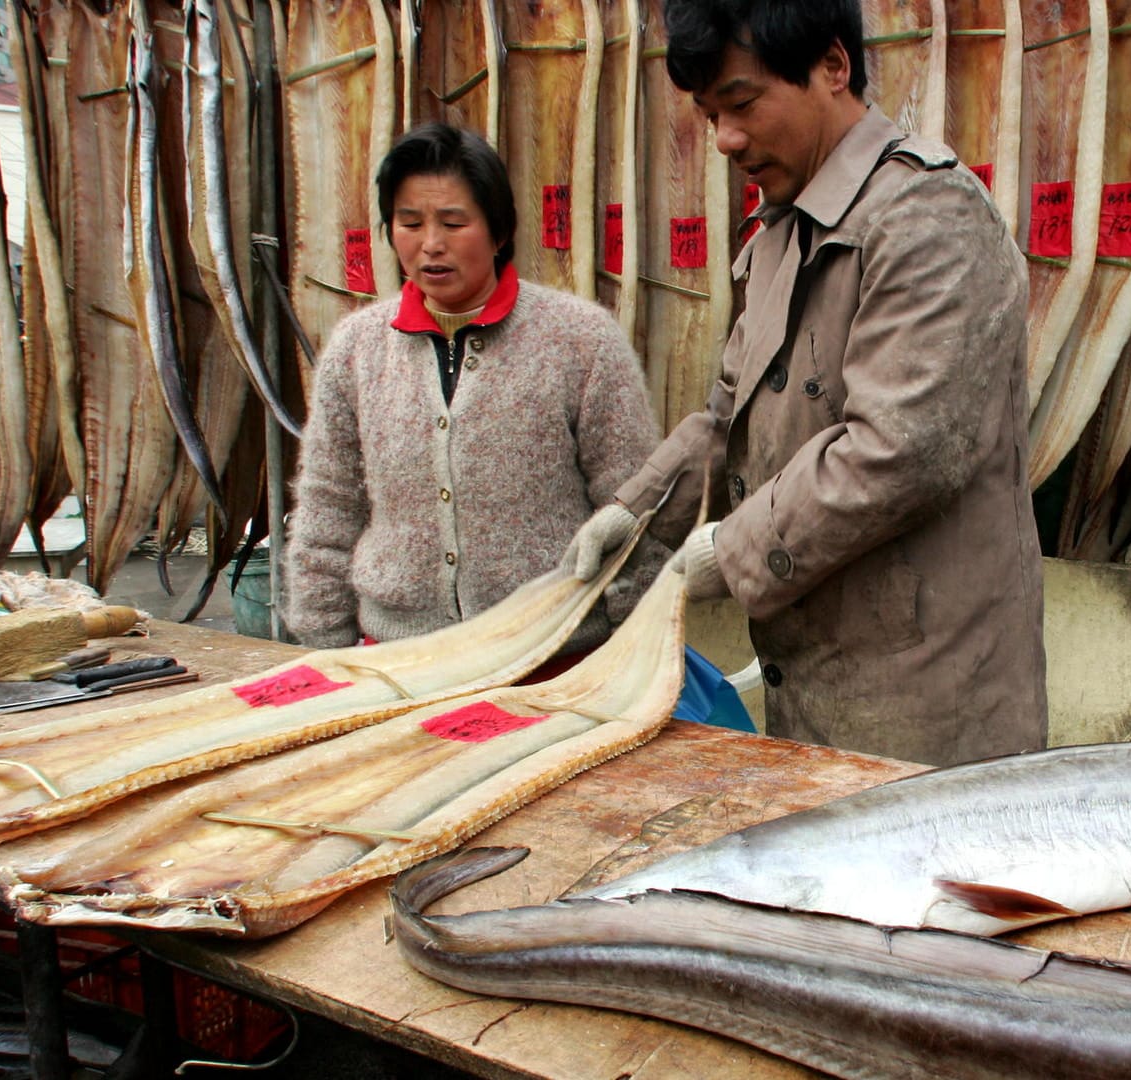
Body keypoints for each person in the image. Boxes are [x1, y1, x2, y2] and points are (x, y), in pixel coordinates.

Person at [564, 0, 1047, 766]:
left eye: (743, 104)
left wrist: (728, 550)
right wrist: (637, 513)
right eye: (708, 113)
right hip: (814, 691)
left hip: (923, 713)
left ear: (832, 66)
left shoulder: (927, 218)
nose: (724, 139)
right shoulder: (783, 233)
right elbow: (731, 418)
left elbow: (900, 451)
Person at [286, 124, 661, 651]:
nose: (431, 245)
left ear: (499, 230)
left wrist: (633, 649)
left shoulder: (580, 341)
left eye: (454, 222)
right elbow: (329, 508)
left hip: (553, 659)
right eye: (409, 223)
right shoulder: (356, 350)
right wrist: (327, 650)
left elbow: (634, 508)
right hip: (399, 662)